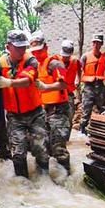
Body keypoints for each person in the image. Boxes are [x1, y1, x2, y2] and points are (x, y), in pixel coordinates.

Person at [0, 30, 50, 179]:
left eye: (23, 47)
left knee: (40, 148)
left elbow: (27, 81)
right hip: (14, 116)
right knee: (18, 153)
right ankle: (23, 185)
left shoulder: (31, 60)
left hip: (35, 113)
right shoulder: (0, 64)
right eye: (17, 47)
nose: (21, 50)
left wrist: (9, 82)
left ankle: (44, 181)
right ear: (8, 47)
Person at [29, 32, 71, 174]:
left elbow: (64, 84)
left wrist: (47, 87)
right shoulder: (34, 66)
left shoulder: (54, 63)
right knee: (41, 147)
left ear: (46, 48)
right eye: (34, 52)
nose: (37, 54)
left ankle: (67, 178)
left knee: (58, 147)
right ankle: (44, 180)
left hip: (58, 111)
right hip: (42, 112)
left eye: (39, 51)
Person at [79, 33, 105, 134]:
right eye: (94, 42)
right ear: (92, 43)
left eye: (98, 43)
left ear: (101, 44)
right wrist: (79, 84)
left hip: (100, 86)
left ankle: (102, 131)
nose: (96, 45)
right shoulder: (85, 56)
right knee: (86, 111)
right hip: (88, 87)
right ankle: (82, 131)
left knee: (103, 109)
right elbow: (79, 70)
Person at [59, 39, 80, 132]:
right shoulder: (56, 61)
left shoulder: (75, 61)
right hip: (58, 93)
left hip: (69, 92)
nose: (65, 58)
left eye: (67, 56)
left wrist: (78, 79)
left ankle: (66, 136)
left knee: (70, 114)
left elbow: (79, 70)